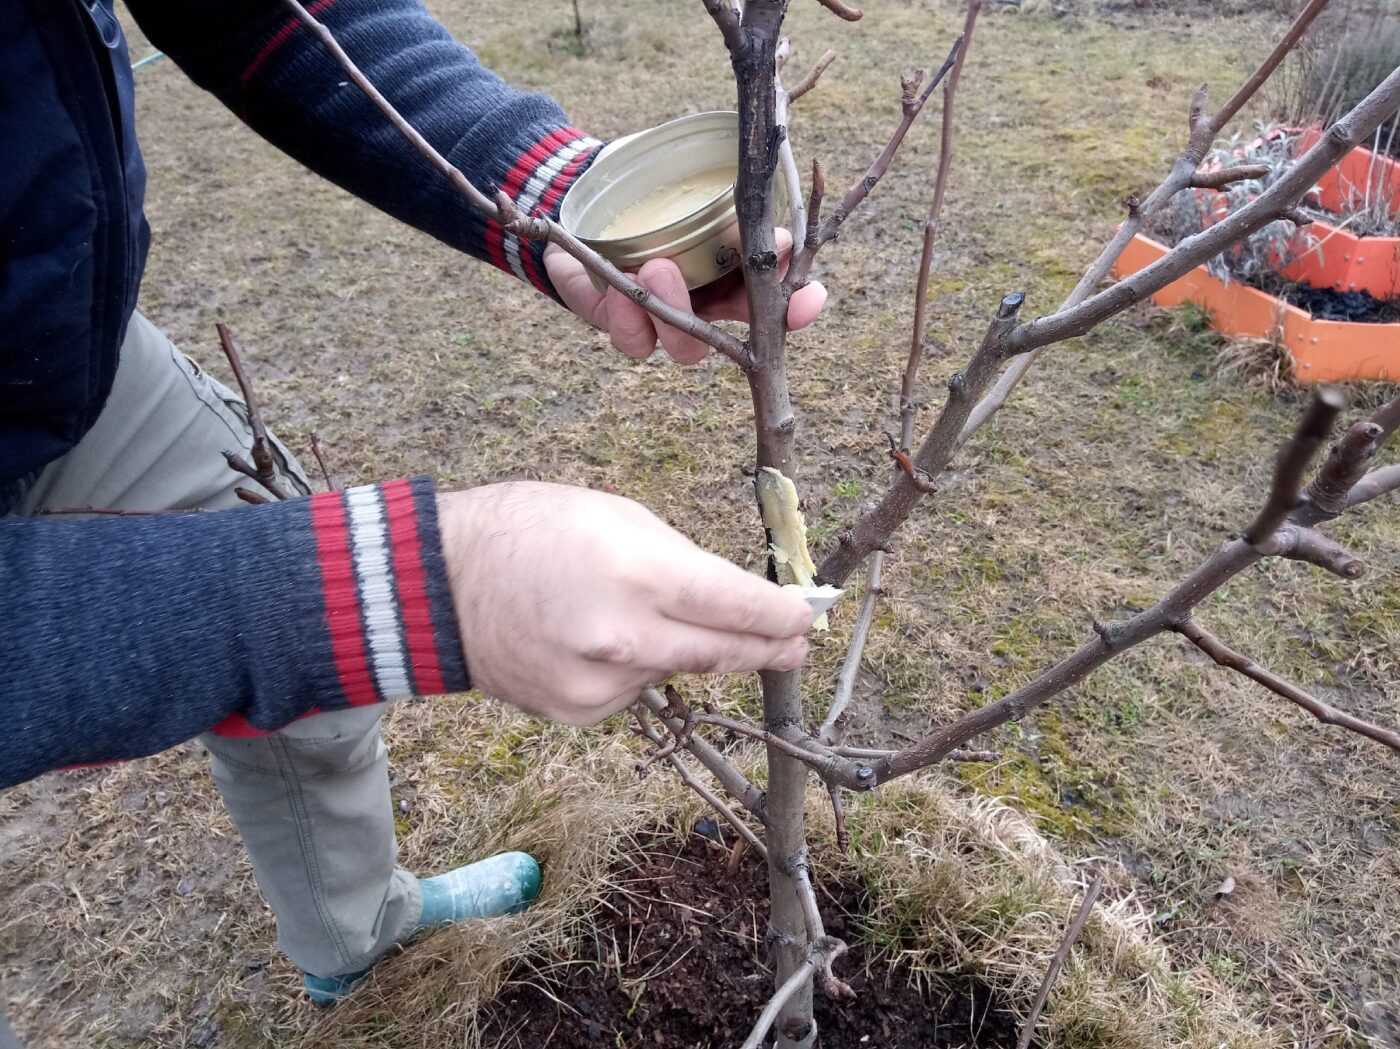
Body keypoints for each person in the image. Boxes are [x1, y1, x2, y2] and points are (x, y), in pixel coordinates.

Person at [0, 0, 827, 1031]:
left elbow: (272, 15)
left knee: (308, 659)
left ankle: (354, 933)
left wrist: (562, 204)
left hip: (58, 353)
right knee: (309, 611)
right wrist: (403, 588)